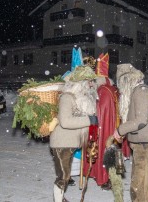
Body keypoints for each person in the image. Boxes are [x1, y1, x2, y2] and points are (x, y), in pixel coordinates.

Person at [113, 63, 148, 202]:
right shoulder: (138, 90)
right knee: (137, 184)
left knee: (144, 183)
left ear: (128, 80)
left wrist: (120, 130)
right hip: (141, 144)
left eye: (122, 83)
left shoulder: (141, 91)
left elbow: (141, 120)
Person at [50, 65, 98, 202]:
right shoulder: (67, 97)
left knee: (66, 174)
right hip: (62, 142)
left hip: (71, 142)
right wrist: (89, 120)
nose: (91, 84)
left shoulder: (79, 98)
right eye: (89, 81)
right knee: (63, 176)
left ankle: (60, 197)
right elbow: (65, 122)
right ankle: (58, 200)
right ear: (80, 82)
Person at [83, 53, 130, 190]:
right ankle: (110, 176)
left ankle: (104, 177)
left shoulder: (102, 91)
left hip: (105, 128)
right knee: (112, 151)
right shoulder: (113, 88)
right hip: (115, 128)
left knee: (104, 151)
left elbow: (98, 112)